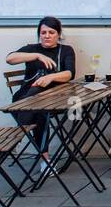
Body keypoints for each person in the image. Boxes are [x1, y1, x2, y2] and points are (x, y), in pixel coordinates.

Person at [5, 16, 76, 175]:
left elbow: (69, 73)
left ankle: (21, 131)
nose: (47, 35)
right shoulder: (32, 49)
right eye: (43, 32)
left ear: (58, 34)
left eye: (51, 32)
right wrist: (37, 56)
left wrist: (50, 77)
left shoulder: (66, 50)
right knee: (40, 112)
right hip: (25, 98)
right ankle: (45, 160)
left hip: (53, 100)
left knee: (41, 110)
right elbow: (9, 58)